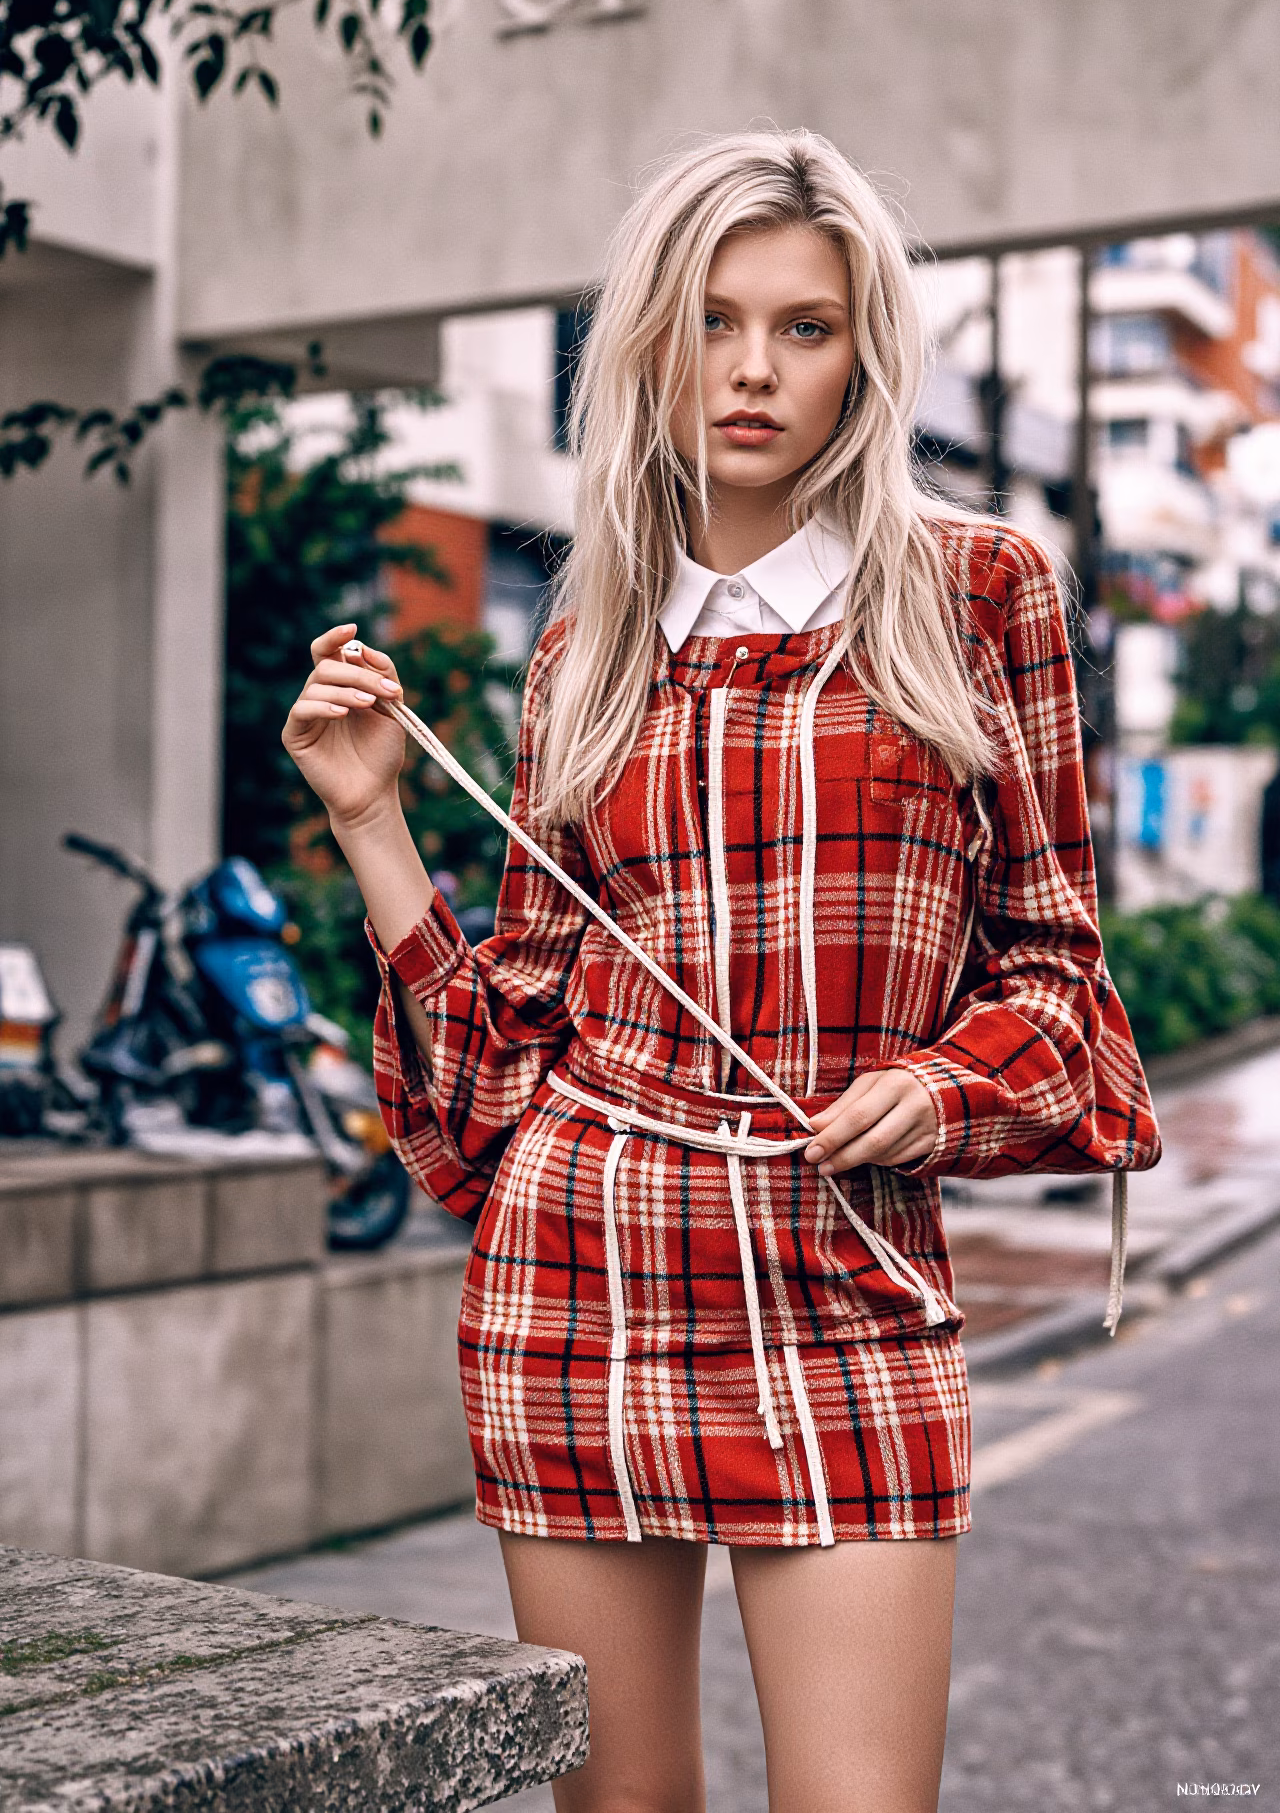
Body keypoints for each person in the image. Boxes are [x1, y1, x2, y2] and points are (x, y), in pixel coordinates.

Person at [283, 130, 1160, 1813]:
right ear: (646, 345)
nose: (753, 370)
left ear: (864, 355)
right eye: (711, 320)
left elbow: (1060, 973)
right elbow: (484, 1102)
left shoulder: (980, 591)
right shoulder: (585, 641)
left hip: (845, 1283)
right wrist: (377, 827)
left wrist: (937, 1085)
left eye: (806, 327)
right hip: (577, 1287)